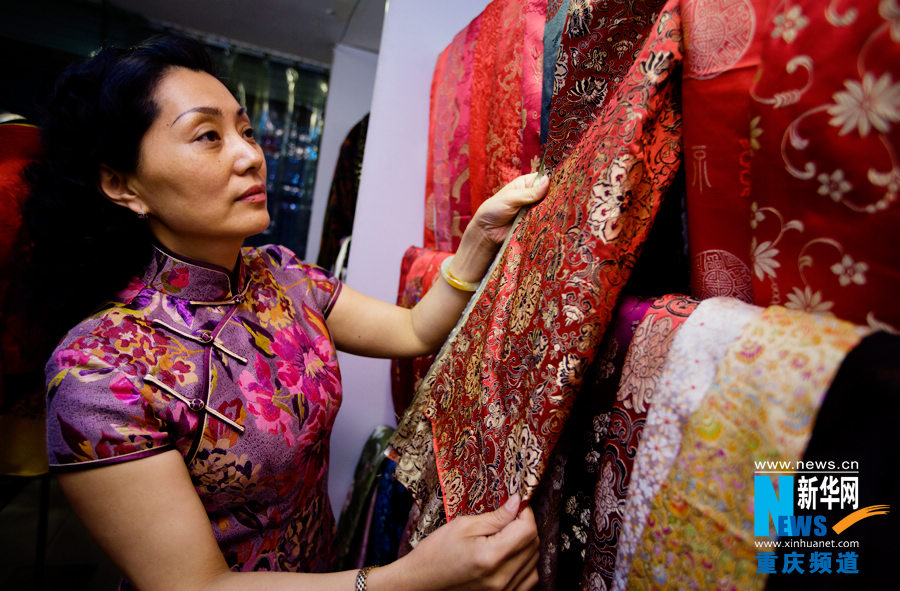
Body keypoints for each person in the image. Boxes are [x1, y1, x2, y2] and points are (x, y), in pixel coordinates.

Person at [25, 36, 549, 590]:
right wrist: (412, 578)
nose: (252, 155)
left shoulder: (282, 275)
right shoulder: (97, 373)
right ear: (121, 184)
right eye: (208, 136)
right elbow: (198, 586)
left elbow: (414, 329)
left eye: (246, 131)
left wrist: (477, 241)